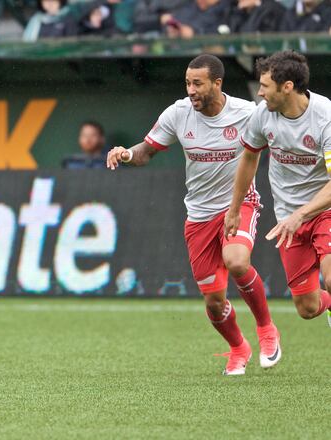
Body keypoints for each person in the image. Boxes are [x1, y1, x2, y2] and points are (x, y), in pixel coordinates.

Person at [107, 54, 280, 376]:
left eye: (197, 83)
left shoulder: (247, 113)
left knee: (238, 262)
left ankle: (267, 329)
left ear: (217, 83)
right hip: (199, 215)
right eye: (188, 83)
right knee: (214, 301)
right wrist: (127, 154)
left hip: (237, 204)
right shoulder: (178, 113)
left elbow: (281, 140)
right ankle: (238, 348)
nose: (191, 90)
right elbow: (147, 152)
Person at [226, 50, 331, 333]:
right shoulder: (262, 116)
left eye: (265, 86)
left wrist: (304, 213)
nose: (259, 93)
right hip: (288, 218)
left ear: (287, 87)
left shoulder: (326, 118)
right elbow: (249, 158)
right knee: (307, 308)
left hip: (324, 209)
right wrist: (234, 210)